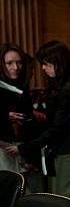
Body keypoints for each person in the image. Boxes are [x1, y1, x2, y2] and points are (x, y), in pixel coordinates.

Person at [6, 41, 70, 198]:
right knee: (55, 196)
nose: (43, 68)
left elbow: (58, 127)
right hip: (57, 151)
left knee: (62, 197)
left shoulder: (68, 88)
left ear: (58, 62)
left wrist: (25, 148)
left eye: (46, 64)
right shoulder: (59, 86)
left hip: (65, 150)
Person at [0, 43, 34, 172]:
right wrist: (5, 116)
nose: (15, 67)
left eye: (19, 62)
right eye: (9, 63)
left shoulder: (23, 88)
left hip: (21, 148)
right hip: (3, 149)